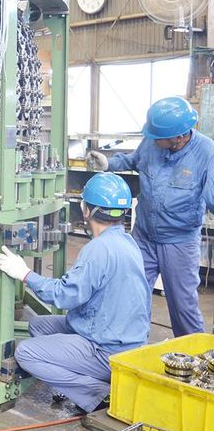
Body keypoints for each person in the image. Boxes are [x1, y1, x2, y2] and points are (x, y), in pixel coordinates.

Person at [0, 173, 150, 413]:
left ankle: (99, 394)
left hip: (107, 350)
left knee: (26, 353)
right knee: (38, 325)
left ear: (86, 209)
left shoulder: (98, 250)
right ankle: (76, 380)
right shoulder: (128, 242)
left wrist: (25, 274)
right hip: (120, 336)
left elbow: (65, 296)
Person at [86, 96, 214, 336]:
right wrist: (108, 164)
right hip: (143, 237)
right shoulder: (153, 141)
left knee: (183, 306)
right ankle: (131, 347)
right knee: (130, 295)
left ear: (178, 137)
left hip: (179, 242)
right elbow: (134, 160)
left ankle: (193, 354)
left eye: (158, 137)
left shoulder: (207, 153)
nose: (153, 140)